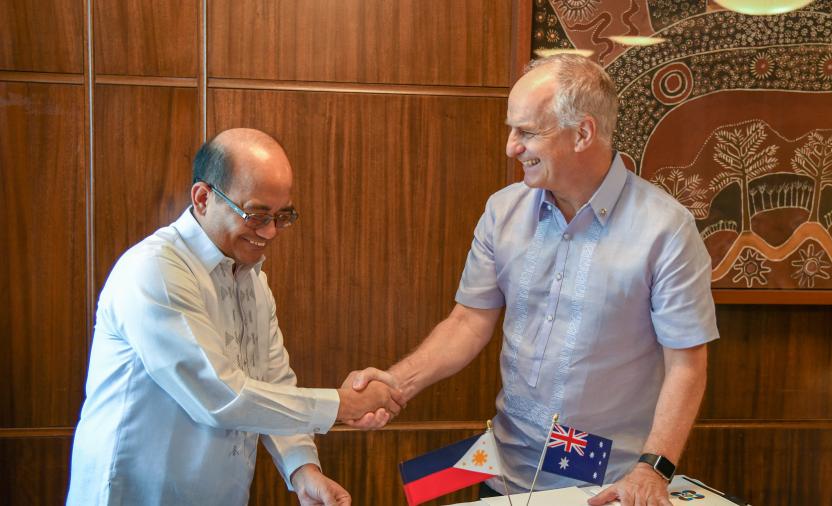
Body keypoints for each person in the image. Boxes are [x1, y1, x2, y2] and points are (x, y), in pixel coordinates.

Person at [345, 55, 718, 505]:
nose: (510, 147)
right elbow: (468, 321)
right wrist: (396, 383)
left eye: (526, 132)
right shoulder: (503, 211)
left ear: (583, 133)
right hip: (503, 469)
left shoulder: (666, 229)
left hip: (604, 484)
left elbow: (687, 364)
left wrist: (653, 468)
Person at [67, 128, 403, 506]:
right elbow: (222, 396)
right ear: (203, 198)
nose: (271, 232)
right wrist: (344, 404)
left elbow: (273, 381)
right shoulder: (154, 270)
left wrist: (302, 470)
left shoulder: (252, 277)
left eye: (283, 216)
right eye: (257, 214)